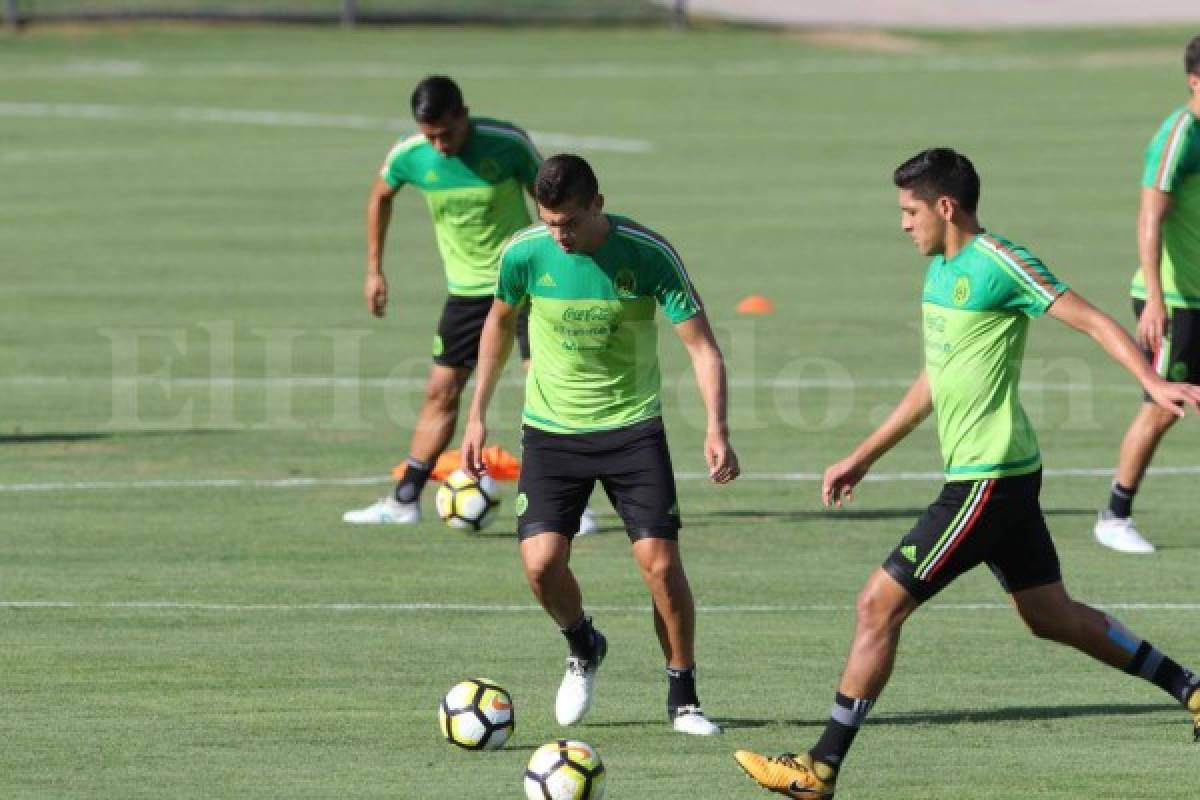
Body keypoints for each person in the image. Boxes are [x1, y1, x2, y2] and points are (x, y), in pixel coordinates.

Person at [734, 148, 1200, 798]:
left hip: (990, 480)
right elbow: (935, 381)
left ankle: (819, 768)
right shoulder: (939, 273)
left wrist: (1153, 380)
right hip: (998, 476)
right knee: (1051, 616)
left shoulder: (998, 263)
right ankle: (1192, 688)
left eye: (910, 210)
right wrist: (865, 454)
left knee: (877, 605)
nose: (903, 225)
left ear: (945, 207)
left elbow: (1090, 319)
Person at [460, 154, 739, 735]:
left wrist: (716, 427)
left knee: (659, 566)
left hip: (632, 428)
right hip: (551, 431)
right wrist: (477, 415)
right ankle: (583, 644)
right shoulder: (524, 253)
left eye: (569, 222)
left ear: (597, 205)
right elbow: (497, 324)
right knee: (540, 565)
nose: (558, 235)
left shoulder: (648, 253)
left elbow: (703, 348)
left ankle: (683, 697)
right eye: (549, 221)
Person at [341, 75, 598, 533]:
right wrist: (374, 268)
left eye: (446, 132)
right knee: (440, 391)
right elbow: (381, 196)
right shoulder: (410, 156)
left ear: (464, 115)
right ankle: (405, 500)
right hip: (466, 293)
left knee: (547, 389)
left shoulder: (507, 144)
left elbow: (554, 200)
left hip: (526, 285)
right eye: (429, 135)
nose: (438, 145)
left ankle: (572, 506)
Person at [1095, 35, 1200, 554]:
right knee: (1162, 406)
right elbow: (1149, 216)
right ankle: (1115, 515)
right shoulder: (1180, 136)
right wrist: (1155, 298)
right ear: (1195, 81)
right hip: (1179, 302)